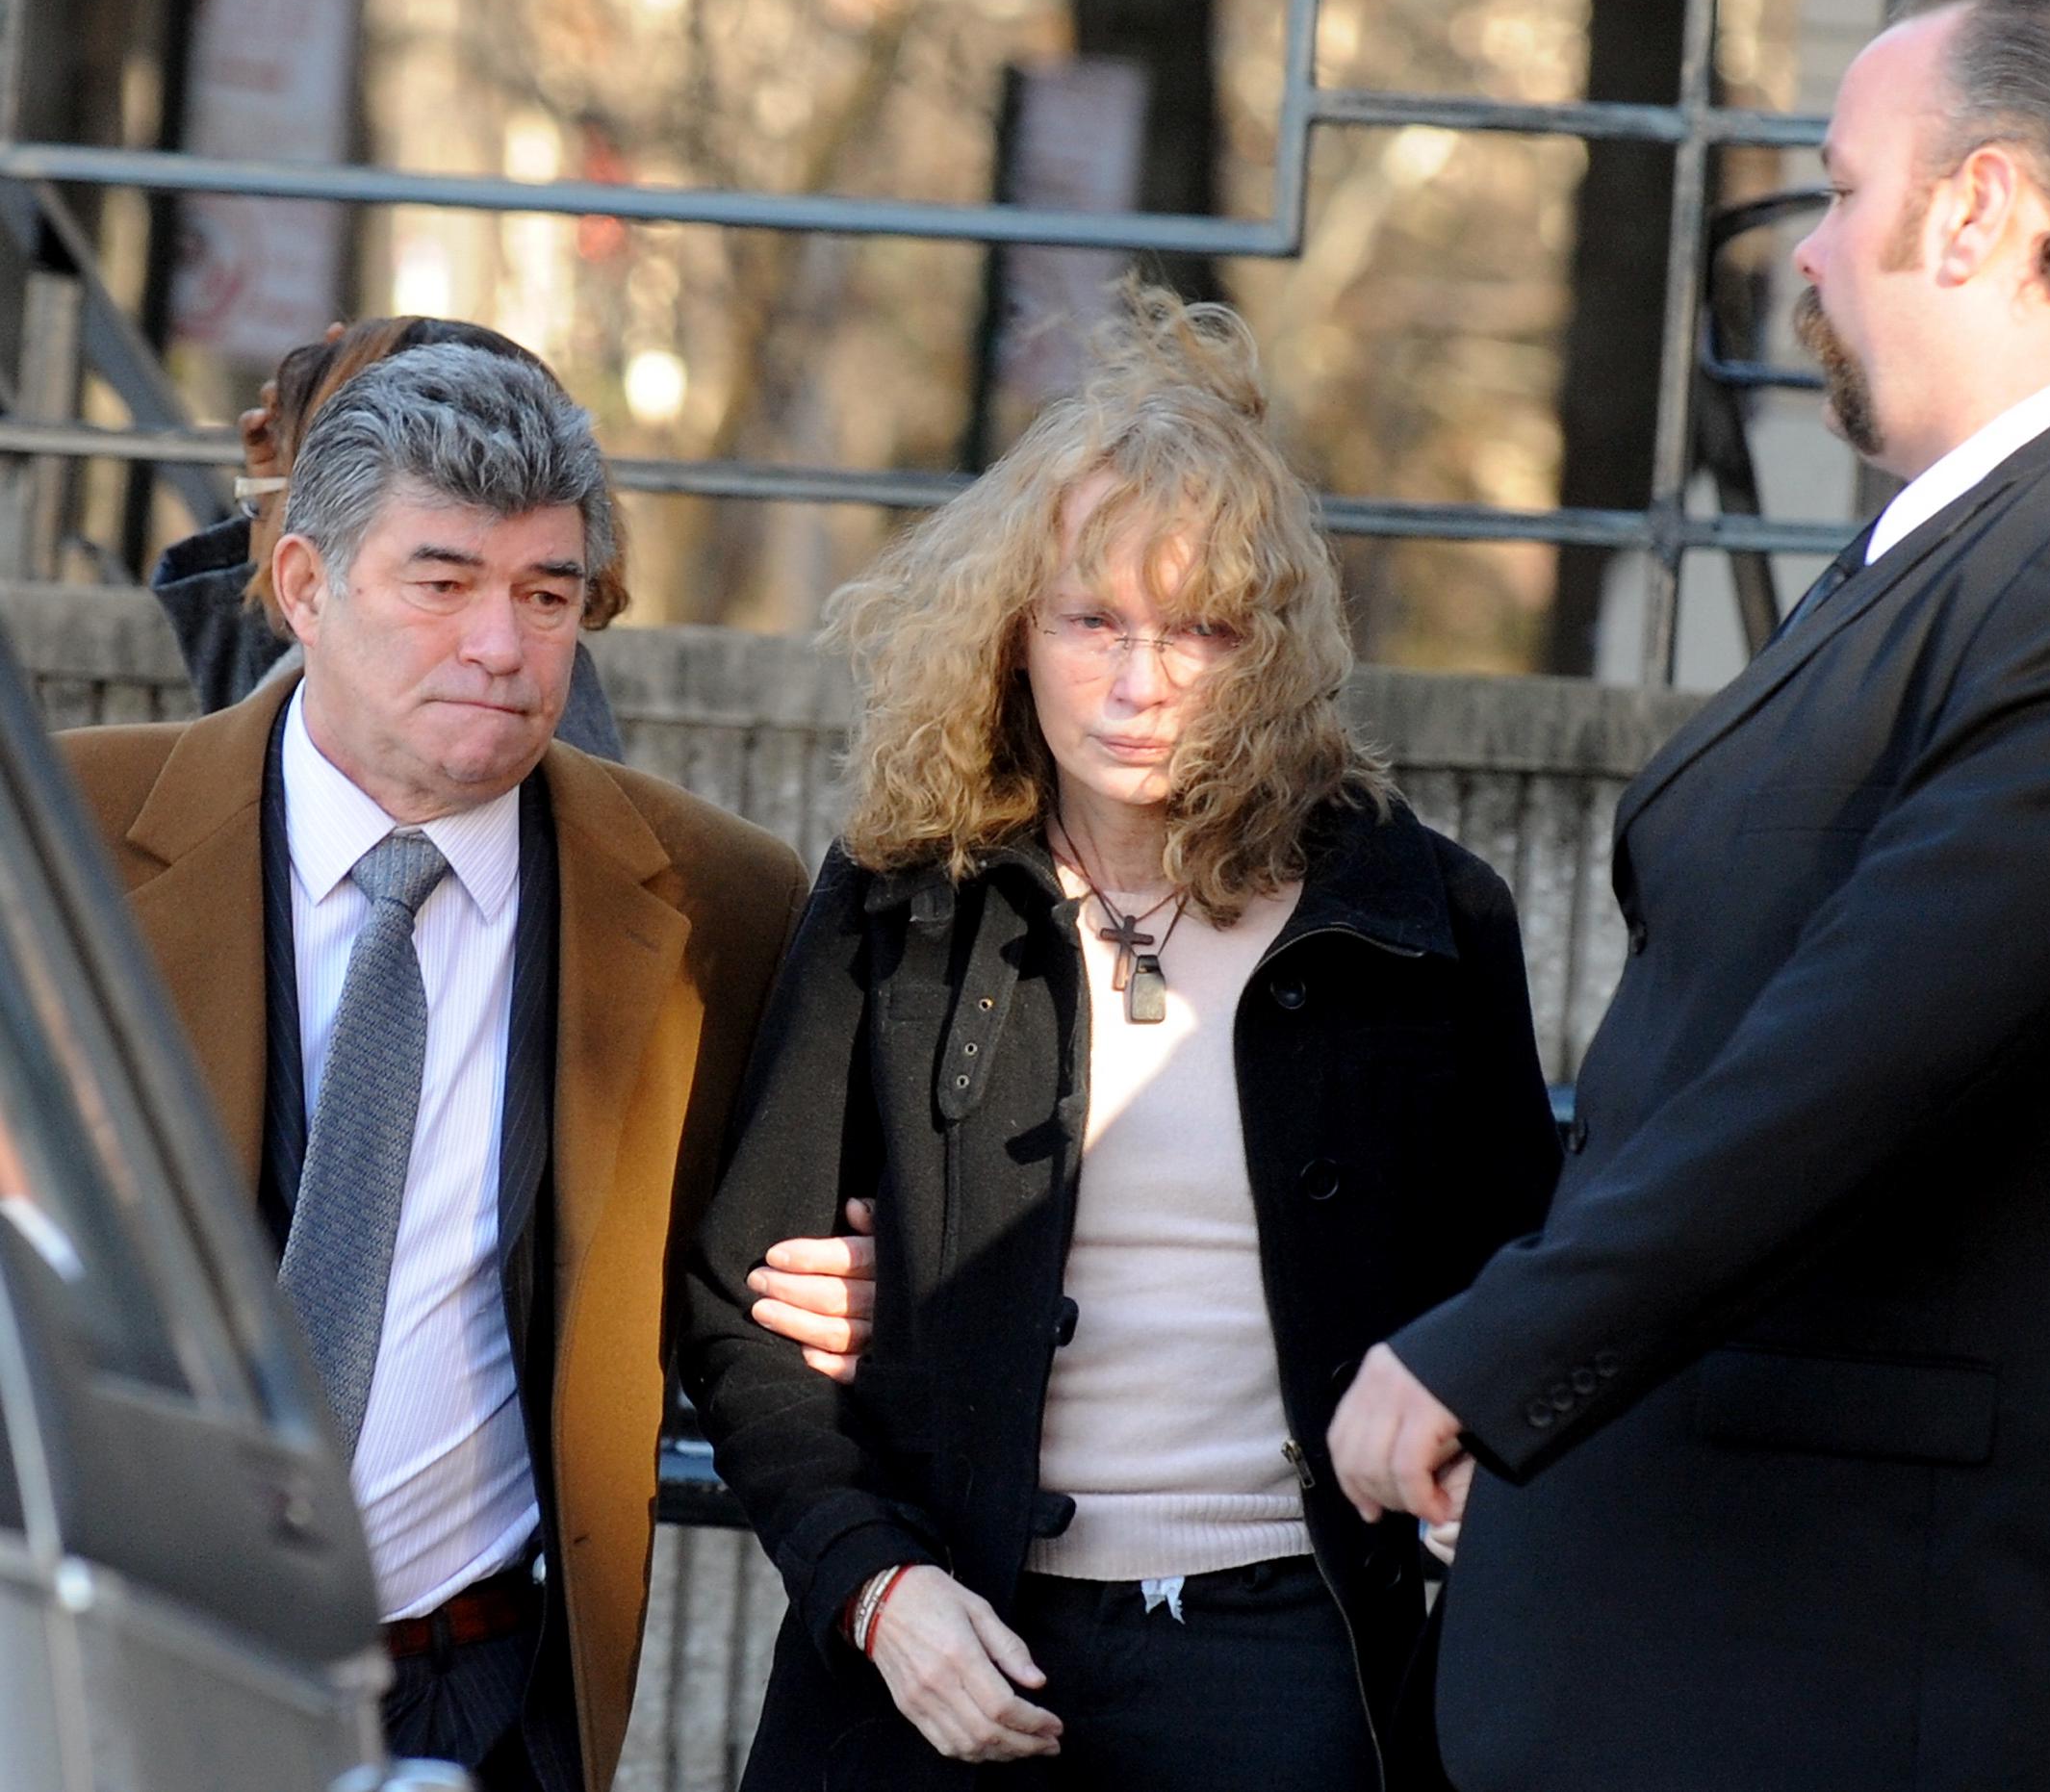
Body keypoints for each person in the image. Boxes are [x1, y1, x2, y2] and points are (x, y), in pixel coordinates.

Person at [1328, 0, 2050, 1791]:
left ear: (1982, 206)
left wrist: (1503, 1345)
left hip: (1930, 1667)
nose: (1807, 254)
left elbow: (1875, 1042)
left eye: (1843, 189)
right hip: (1778, 1642)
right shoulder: (1972, 544)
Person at [681, 285, 1552, 1792]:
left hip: (1296, 1667)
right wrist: (875, 1589)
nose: (1139, 683)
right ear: (1016, 633)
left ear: (1271, 651)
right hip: (946, 1645)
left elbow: (1521, 1284)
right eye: (1094, 621)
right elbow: (737, 1307)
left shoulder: (1420, 921)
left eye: (1199, 631)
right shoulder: (903, 897)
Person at [58, 344, 807, 1792]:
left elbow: (760, 1259)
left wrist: (859, 1281)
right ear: (301, 586)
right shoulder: (74, 838)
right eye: (442, 580)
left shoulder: (719, 898)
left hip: (478, 1690)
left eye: (547, 593)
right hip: (113, 1659)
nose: (503, 645)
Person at [149, 315, 627, 757]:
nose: (501, 650)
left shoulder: (501, 714)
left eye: (544, 597)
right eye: (263, 501)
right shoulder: (313, 682)